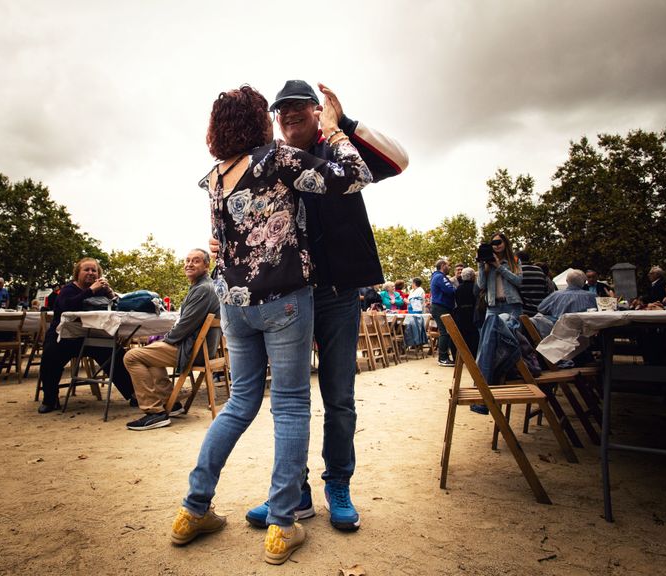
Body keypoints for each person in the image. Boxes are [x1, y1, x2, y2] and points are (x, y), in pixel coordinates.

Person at [171, 84, 372, 565]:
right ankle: (284, 521)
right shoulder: (277, 159)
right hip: (283, 301)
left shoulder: (215, 177)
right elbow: (355, 175)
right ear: (261, 122)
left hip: (235, 304)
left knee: (240, 403)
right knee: (289, 406)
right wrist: (335, 131)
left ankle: (193, 508)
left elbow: (222, 240)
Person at [208, 80, 407, 535]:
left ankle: (338, 484)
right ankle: (292, 494)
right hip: (284, 297)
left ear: (318, 112)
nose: (289, 114)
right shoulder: (268, 161)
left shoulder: (338, 149)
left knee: (339, 398)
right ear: (273, 118)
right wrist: (222, 241)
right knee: (287, 402)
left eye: (300, 107)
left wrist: (345, 125)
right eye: (282, 109)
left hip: (336, 294)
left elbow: (399, 160)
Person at [124, 249, 220, 431]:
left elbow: (184, 325)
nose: (190, 264)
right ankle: (171, 402)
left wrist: (167, 340)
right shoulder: (203, 287)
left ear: (207, 266)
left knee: (132, 356)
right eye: (188, 260)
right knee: (149, 354)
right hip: (198, 348)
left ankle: (154, 413)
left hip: (193, 351)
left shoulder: (203, 290)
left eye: (196, 261)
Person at [37, 258, 135, 414]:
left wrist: (110, 293)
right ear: (78, 273)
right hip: (64, 337)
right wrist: (90, 291)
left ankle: (133, 393)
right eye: (86, 270)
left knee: (115, 353)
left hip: (91, 336)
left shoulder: (101, 291)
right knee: (50, 354)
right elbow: (67, 308)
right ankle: (50, 399)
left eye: (94, 270)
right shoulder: (68, 290)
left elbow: (117, 307)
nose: (90, 273)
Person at [478, 232, 524, 319]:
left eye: (499, 242)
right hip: (493, 306)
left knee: (513, 331)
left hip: (512, 304)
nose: (497, 245)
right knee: (491, 332)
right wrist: (480, 264)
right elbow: (481, 285)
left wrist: (499, 266)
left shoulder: (514, 261)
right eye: (493, 243)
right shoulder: (487, 263)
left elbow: (518, 281)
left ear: (505, 243)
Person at [429, 259, 457, 366]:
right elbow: (450, 291)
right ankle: (443, 358)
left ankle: (444, 357)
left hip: (440, 307)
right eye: (448, 266)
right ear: (442, 265)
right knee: (444, 332)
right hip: (441, 307)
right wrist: (457, 289)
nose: (449, 268)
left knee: (445, 332)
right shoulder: (440, 277)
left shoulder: (436, 277)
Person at [452, 267, 479, 356]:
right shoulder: (476, 287)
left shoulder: (458, 288)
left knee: (464, 336)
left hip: (461, 316)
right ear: (472, 277)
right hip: (473, 315)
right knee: (474, 337)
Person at [517, 250, 551, 317]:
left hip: (523, 312)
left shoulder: (517, 271)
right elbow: (547, 290)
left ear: (516, 259)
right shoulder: (539, 270)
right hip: (540, 312)